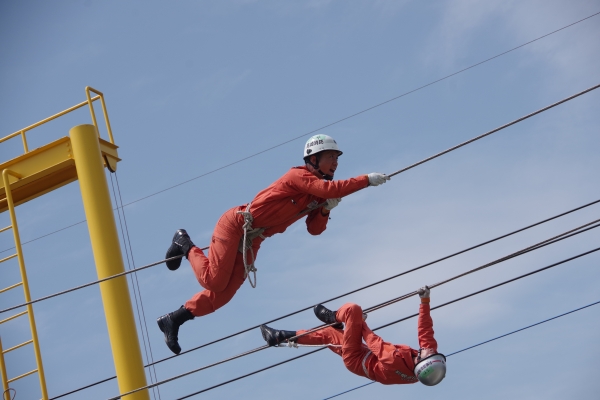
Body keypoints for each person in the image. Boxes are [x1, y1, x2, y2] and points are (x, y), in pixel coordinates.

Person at [157, 134, 391, 354]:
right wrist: (366, 180)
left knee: (223, 295)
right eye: (331, 157)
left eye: (337, 158)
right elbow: (330, 188)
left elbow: (314, 230)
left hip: (253, 238)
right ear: (313, 159)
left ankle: (174, 318)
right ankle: (183, 243)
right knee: (213, 280)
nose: (336, 163)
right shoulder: (297, 176)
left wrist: (325, 210)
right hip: (237, 224)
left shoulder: (319, 194)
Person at [260, 286, 446, 386]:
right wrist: (425, 301)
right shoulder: (422, 366)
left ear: (423, 362)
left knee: (351, 312)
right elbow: (426, 332)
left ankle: (332, 318)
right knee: (332, 333)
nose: (431, 350)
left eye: (431, 354)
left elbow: (373, 341)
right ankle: (280, 336)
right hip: (365, 356)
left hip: (356, 359)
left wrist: (359, 321)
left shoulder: (394, 360)